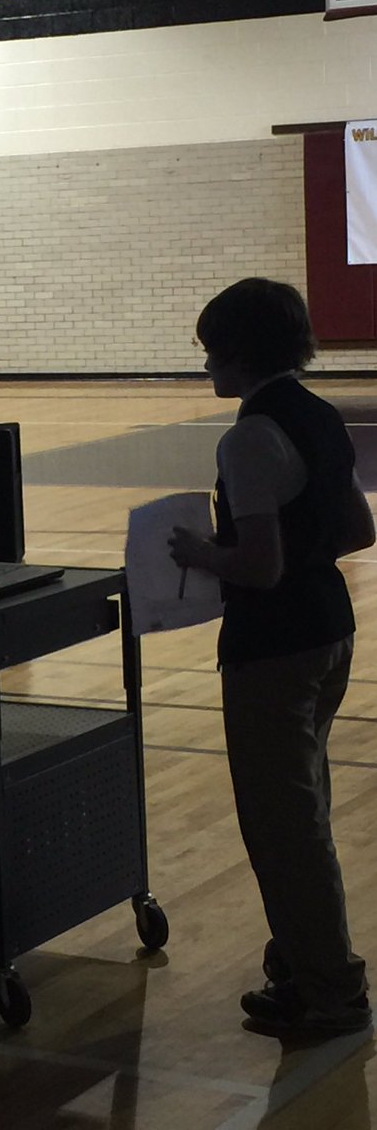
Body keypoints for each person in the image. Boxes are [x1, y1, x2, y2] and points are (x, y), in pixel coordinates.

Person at [168, 277, 375, 1037]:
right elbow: (358, 531)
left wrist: (199, 550)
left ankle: (332, 992)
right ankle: (297, 966)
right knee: (301, 812)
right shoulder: (320, 414)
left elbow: (257, 567)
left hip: (274, 648)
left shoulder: (249, 437)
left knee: (284, 831)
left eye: (212, 351)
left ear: (240, 350)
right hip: (330, 634)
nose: (207, 366)